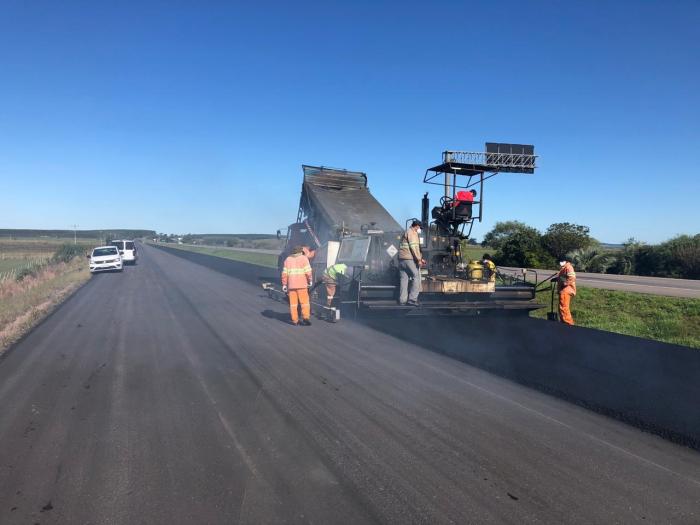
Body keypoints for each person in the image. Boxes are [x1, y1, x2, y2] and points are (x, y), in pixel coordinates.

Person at [281, 245, 313, 326]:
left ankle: (295, 320)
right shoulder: (304, 258)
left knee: (293, 304)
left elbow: (284, 273)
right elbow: (308, 272)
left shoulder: (288, 259)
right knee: (305, 302)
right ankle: (306, 318)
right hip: (302, 285)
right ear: (301, 252)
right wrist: (310, 281)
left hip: (291, 286)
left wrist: (284, 284)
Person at [398, 220, 424, 306]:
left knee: (404, 279)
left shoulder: (406, 232)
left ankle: (402, 300)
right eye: (419, 228)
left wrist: (421, 258)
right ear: (416, 226)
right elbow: (414, 247)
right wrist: (419, 260)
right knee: (416, 276)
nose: (419, 229)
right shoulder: (412, 233)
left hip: (401, 259)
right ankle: (412, 299)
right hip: (409, 259)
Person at [555, 257, 577, 325]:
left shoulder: (568, 267)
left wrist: (565, 283)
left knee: (564, 308)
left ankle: (568, 325)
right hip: (563, 290)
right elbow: (563, 277)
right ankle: (563, 324)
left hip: (566, 290)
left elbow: (572, 277)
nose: (560, 263)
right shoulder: (563, 268)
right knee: (561, 308)